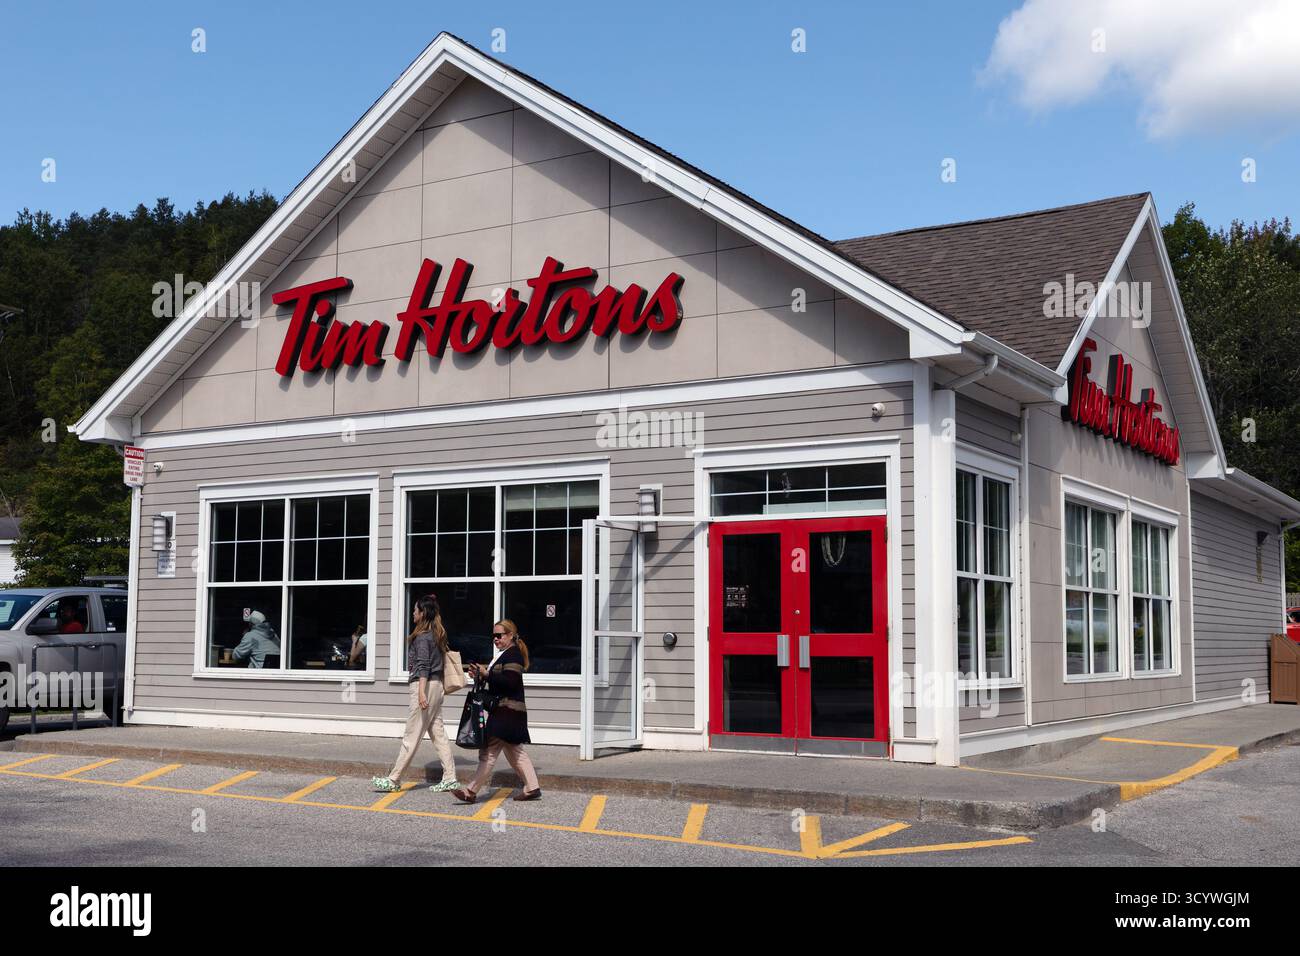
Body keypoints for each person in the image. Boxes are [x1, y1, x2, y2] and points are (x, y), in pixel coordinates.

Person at [372, 594, 460, 794]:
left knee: (411, 735)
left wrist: (421, 693)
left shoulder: (422, 637)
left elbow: (423, 666)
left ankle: (394, 779)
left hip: (426, 686)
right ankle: (450, 777)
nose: (413, 613)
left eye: (415, 610)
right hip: (437, 686)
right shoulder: (437, 635)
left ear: (422, 614)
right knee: (438, 735)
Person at [452, 619, 541, 803]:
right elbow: (497, 684)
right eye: (493, 636)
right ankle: (532, 787)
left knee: (488, 753)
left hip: (507, 712)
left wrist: (487, 674)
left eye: (499, 635)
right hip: (508, 712)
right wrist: (480, 675)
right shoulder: (503, 655)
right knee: (515, 751)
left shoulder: (513, 655)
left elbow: (510, 682)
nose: (495, 639)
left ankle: (471, 791)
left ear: (510, 635)